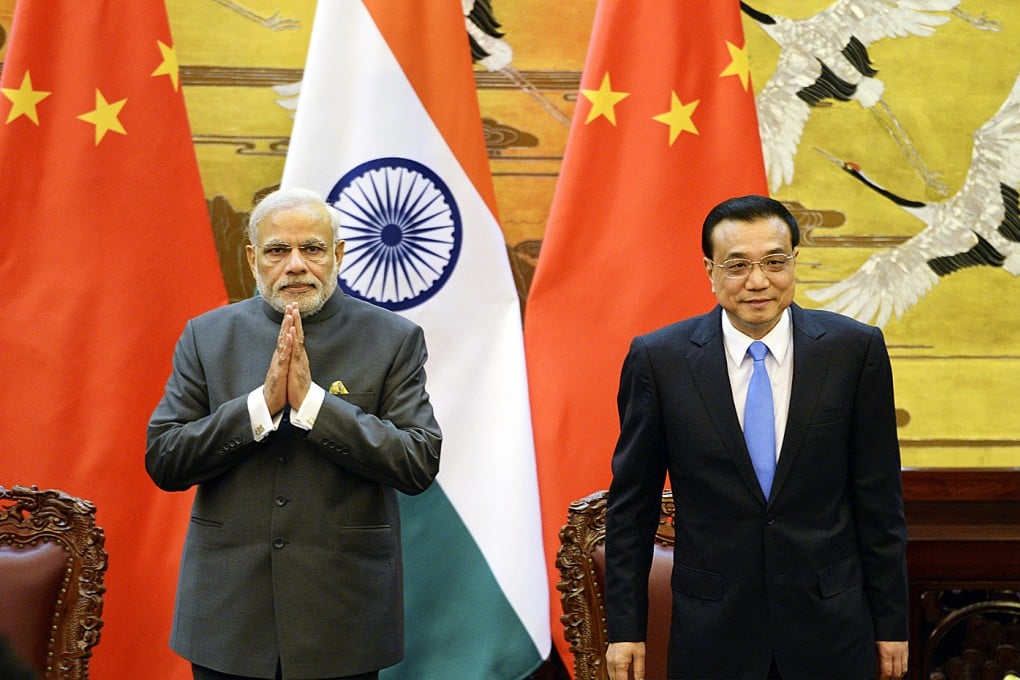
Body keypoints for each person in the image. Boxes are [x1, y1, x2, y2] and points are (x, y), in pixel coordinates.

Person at [604, 195, 908, 680]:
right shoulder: (660, 360)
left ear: (794, 262)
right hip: (713, 634)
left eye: (774, 262)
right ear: (709, 270)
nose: (759, 281)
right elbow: (632, 507)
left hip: (831, 630)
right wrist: (625, 630)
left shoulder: (854, 350)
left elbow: (879, 502)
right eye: (738, 265)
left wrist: (893, 625)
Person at [146, 187, 442, 680]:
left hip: (343, 617)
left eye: (313, 248)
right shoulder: (207, 335)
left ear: (339, 253)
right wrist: (260, 406)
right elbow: (165, 458)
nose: (296, 265)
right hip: (228, 617)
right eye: (278, 250)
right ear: (253, 258)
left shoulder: (392, 338)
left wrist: (314, 406)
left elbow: (416, 462)